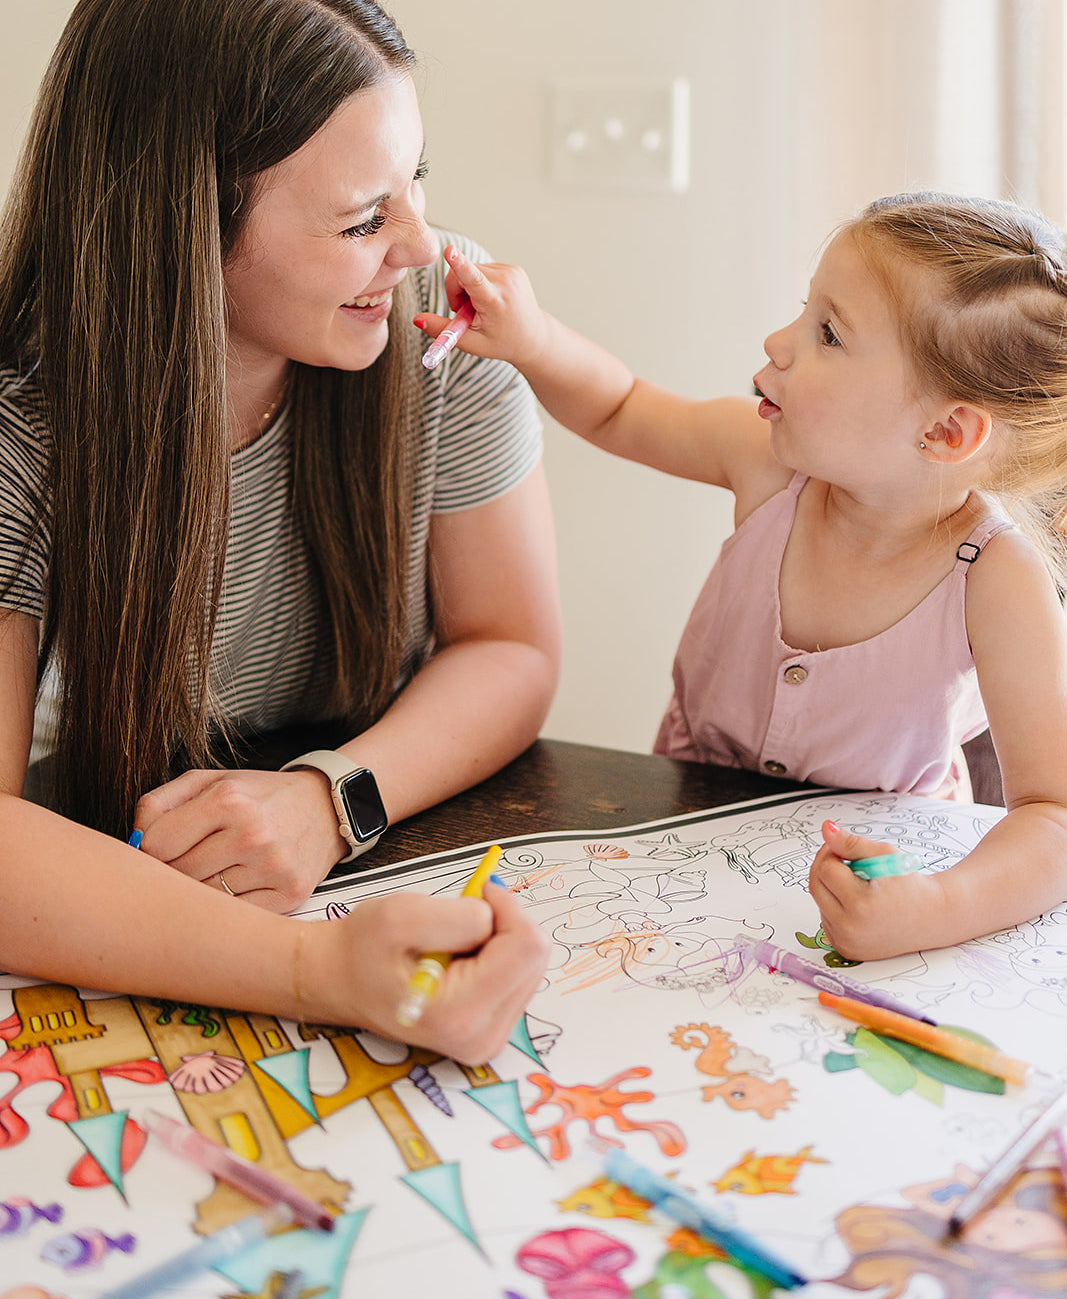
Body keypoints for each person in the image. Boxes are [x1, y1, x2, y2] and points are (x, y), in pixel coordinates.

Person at [0, 0, 560, 1064]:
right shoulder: (18, 427)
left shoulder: (445, 313)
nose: (419, 246)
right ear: (184, 224)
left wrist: (333, 796)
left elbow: (513, 647)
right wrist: (319, 973)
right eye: (361, 219)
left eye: (416, 182)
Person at [414, 193, 1067, 961]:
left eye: (827, 332)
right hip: (687, 833)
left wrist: (930, 907)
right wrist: (531, 339)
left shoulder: (996, 576)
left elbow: (1050, 815)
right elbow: (621, 407)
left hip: (866, 880)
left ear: (943, 432)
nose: (777, 341)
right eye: (804, 310)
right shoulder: (764, 463)